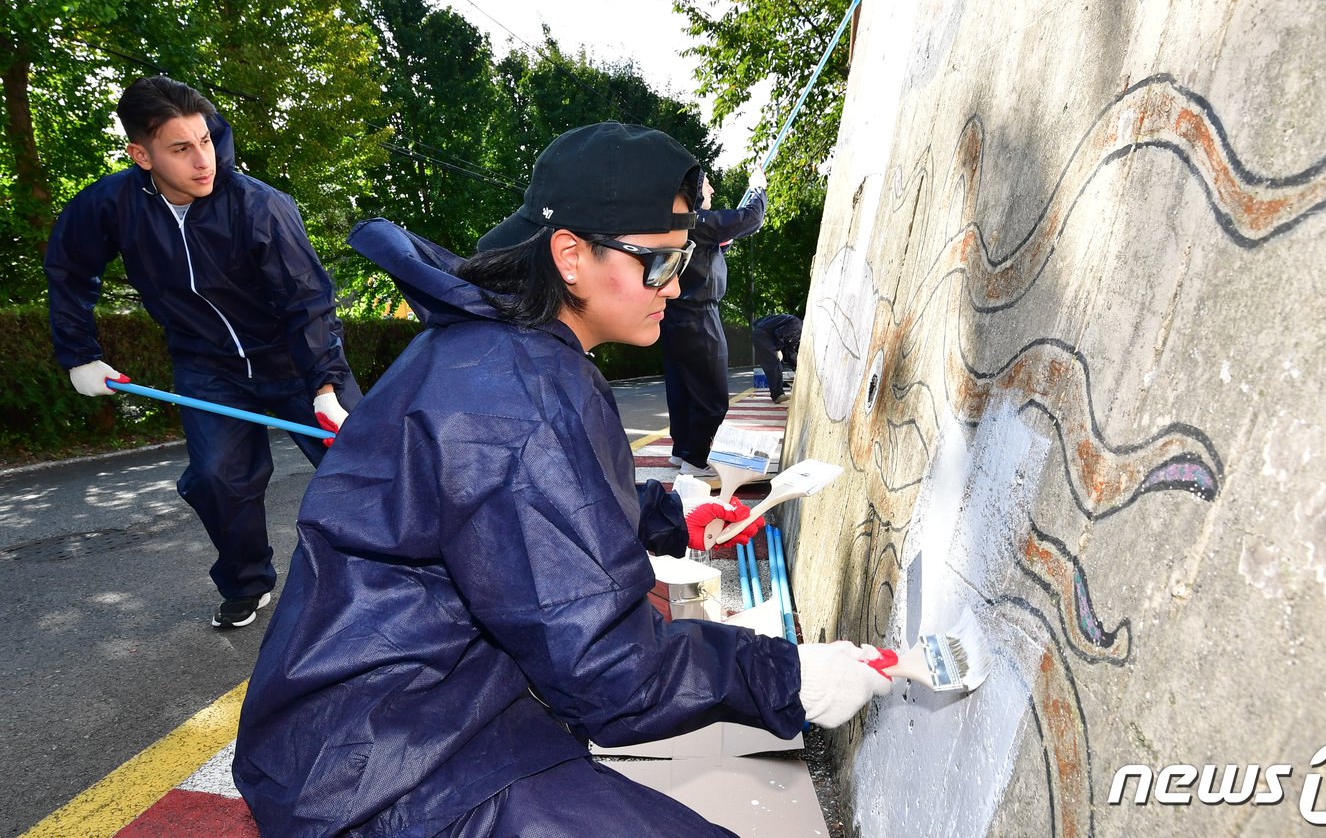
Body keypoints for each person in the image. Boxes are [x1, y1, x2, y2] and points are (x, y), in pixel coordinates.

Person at [232, 121, 891, 836]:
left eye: (684, 261)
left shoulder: (493, 345)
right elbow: (612, 672)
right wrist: (794, 676)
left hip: (395, 718)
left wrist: (669, 515)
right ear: (570, 256)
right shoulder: (528, 393)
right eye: (660, 264)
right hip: (388, 777)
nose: (677, 285)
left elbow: (513, 509)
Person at [44, 75, 361, 630]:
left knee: (365, 466)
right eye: (181, 148)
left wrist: (326, 386)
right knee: (217, 477)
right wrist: (78, 354)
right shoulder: (112, 205)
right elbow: (70, 269)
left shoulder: (258, 205)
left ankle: (412, 575)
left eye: (206, 140)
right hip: (206, 366)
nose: (202, 160)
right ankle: (247, 582)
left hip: (291, 361)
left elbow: (308, 300)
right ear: (140, 155)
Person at [659, 169, 767, 477]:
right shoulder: (699, 221)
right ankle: (696, 460)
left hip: (674, 315)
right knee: (712, 395)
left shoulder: (682, 225)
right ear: (695, 192)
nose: (713, 189)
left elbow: (714, 247)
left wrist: (724, 238)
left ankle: (682, 452)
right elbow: (750, 219)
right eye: (707, 184)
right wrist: (758, 188)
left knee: (683, 389)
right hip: (699, 316)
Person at [752, 312, 803, 403]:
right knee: (774, 364)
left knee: (778, 364)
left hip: (762, 334)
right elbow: (778, 333)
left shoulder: (795, 323)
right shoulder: (797, 325)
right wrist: (778, 349)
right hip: (763, 336)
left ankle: (777, 393)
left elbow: (790, 351)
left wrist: (796, 368)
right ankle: (777, 395)